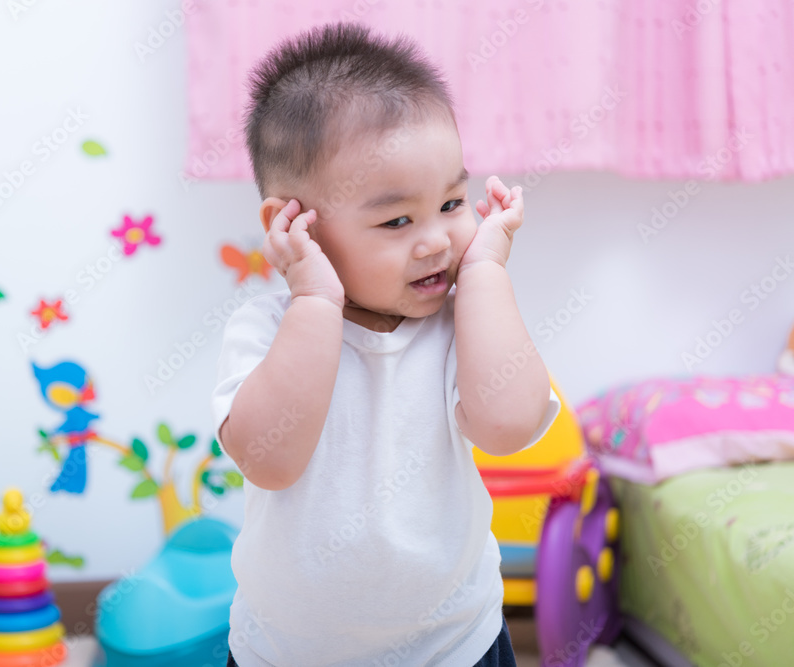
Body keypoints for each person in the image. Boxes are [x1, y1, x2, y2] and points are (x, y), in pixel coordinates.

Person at [210, 21, 560, 666]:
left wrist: (485, 270)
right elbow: (269, 461)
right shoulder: (264, 331)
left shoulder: (462, 323)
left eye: (452, 203)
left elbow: (509, 425)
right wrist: (316, 302)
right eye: (397, 220)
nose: (436, 241)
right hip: (290, 653)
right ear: (292, 223)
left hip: (455, 645)